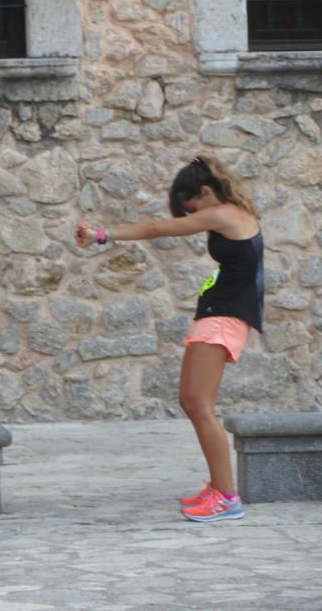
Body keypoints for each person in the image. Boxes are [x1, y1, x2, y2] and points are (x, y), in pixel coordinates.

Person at [76, 156, 263, 522]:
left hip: (222, 319)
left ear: (205, 193)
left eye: (190, 208)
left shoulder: (223, 213)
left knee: (198, 404)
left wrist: (102, 234)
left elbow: (155, 229)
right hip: (217, 316)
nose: (190, 216)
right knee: (192, 401)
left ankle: (226, 498)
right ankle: (218, 488)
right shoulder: (232, 212)